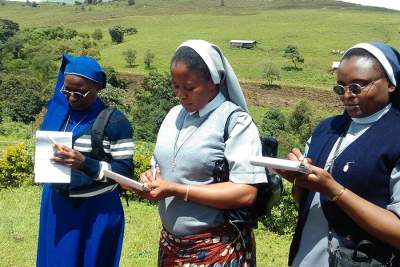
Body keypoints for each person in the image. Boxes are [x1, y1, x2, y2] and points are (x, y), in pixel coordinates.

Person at [124, 40, 267, 266]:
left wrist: (176, 190)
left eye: (189, 88)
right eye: (175, 86)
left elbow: (246, 192)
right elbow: (159, 164)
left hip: (218, 250)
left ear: (214, 82)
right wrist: (148, 177)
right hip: (172, 247)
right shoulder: (173, 116)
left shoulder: (235, 122)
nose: (181, 95)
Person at [276, 42, 400, 267]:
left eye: (357, 86)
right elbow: (304, 202)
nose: (347, 95)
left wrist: (334, 190)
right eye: (340, 87)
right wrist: (299, 179)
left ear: (391, 84)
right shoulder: (327, 129)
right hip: (307, 257)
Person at [36, 54, 134, 267]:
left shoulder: (114, 121)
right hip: (57, 207)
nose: (71, 97)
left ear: (98, 87)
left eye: (79, 91)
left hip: (95, 211)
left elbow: (125, 172)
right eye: (67, 90)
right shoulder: (60, 116)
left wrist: (85, 164)